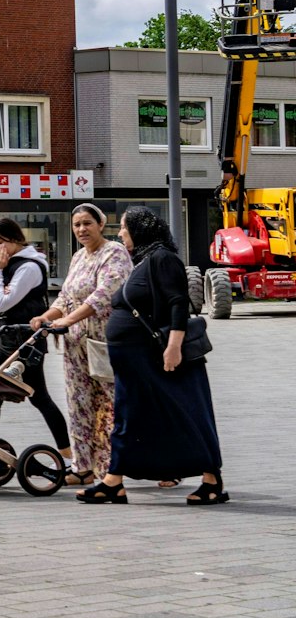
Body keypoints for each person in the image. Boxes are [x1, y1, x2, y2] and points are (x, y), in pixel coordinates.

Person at [79, 206, 228, 505]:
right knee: (129, 417)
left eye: (124, 227)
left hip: (155, 356)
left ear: (140, 229)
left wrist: (173, 347)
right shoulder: (144, 260)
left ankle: (212, 481)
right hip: (133, 360)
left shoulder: (163, 258)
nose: (120, 234)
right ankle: (114, 481)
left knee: (186, 412)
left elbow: (177, 303)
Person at [27, 203, 132, 487]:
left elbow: (105, 294)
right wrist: (46, 317)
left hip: (104, 342)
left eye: (87, 223)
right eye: (77, 225)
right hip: (75, 345)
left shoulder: (114, 253)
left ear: (100, 224)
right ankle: (83, 466)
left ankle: (112, 469)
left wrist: (68, 320)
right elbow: (65, 297)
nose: (82, 229)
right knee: (78, 403)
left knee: (110, 405)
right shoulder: (77, 257)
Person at [0, 217, 72, 466]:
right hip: (11, 337)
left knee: (9, 391)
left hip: (24, 339)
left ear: (13, 239)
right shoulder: (14, 264)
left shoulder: (29, 267)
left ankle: (66, 455)